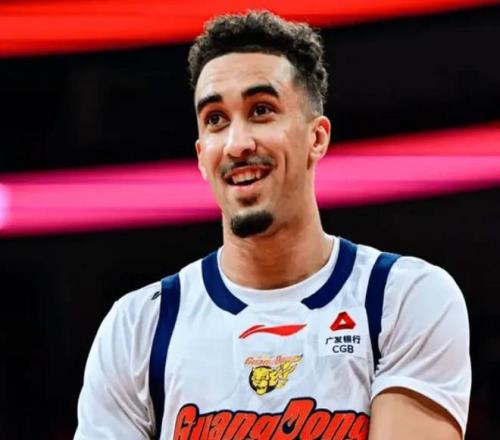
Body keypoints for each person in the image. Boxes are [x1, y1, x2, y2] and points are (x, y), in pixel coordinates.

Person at [74, 10, 471, 440]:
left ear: (317, 138)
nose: (237, 143)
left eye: (261, 110)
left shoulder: (404, 297)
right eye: (215, 119)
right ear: (201, 155)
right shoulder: (138, 327)